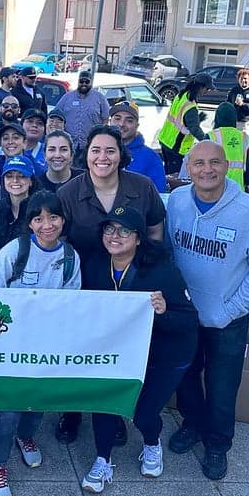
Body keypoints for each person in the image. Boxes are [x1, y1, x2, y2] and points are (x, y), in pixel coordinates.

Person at [167, 141, 249, 481]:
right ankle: (192, 424)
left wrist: (230, 310)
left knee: (223, 384)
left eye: (214, 162)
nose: (206, 170)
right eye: (198, 163)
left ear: (227, 165)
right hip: (185, 314)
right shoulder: (177, 202)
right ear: (188, 167)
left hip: (226, 318)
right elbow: (167, 250)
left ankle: (217, 443)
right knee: (185, 375)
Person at [56, 125, 165, 445]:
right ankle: (72, 411)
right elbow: (59, 242)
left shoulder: (142, 187)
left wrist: (148, 269)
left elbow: (156, 230)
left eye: (110, 150)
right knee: (77, 353)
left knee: (116, 354)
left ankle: (111, 413)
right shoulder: (69, 193)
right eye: (95, 150)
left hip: (128, 287)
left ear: (121, 155)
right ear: (86, 155)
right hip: (84, 287)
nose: (102, 157)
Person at [80, 208, 197, 492]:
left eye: (124, 231)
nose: (114, 236)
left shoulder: (161, 270)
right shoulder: (95, 265)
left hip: (165, 354)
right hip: (119, 352)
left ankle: (151, 443)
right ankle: (102, 459)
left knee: (144, 413)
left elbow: (189, 320)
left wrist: (163, 312)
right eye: (109, 229)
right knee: (104, 402)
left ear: (139, 238)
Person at [0, 190, 81, 496]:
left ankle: (26, 437)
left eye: (53, 217)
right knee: (8, 410)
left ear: (63, 219)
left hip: (47, 348)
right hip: (11, 348)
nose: (47, 225)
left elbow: (73, 301)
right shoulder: (15, 251)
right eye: (38, 219)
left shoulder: (70, 258)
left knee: (39, 400)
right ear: (30, 223)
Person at [157, 73, 214, 174]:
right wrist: (208, 142)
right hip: (176, 146)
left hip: (165, 139)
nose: (207, 91)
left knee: (167, 173)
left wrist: (197, 119)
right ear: (200, 87)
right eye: (207, 88)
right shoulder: (190, 105)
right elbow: (194, 129)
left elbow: (181, 119)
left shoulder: (182, 95)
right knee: (174, 177)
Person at [0, 155, 39, 260]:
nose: (15, 180)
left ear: (31, 181)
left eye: (22, 176)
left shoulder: (39, 210)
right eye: (9, 176)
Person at [53, 70, 111, 161]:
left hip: (90, 144)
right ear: (78, 82)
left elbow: (105, 119)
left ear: (91, 83)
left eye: (87, 82)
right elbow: (55, 115)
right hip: (69, 144)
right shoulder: (67, 97)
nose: (84, 84)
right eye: (81, 81)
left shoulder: (100, 98)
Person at [109, 101, 167, 193]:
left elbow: (158, 195)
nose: (122, 124)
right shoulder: (98, 153)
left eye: (129, 120)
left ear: (137, 126)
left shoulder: (150, 157)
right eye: (117, 119)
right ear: (110, 122)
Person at [207, 101, 249, 190]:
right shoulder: (244, 137)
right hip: (238, 188)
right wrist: (246, 183)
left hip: (215, 189)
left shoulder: (211, 136)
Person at [20, 108, 48, 175]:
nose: (34, 125)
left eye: (40, 123)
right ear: (21, 125)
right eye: (30, 121)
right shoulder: (8, 148)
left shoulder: (49, 151)